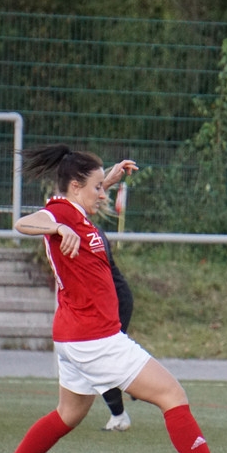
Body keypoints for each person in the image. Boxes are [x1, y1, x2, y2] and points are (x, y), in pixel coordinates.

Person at [0, 144, 227, 453]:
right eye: (97, 187)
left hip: (74, 336)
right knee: (172, 394)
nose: (103, 194)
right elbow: (23, 223)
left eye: (104, 187)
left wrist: (107, 179)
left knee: (68, 415)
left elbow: (77, 208)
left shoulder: (76, 212)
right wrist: (55, 227)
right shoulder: (60, 212)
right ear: (73, 187)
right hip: (96, 337)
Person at [95, 159, 138, 432]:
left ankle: (124, 405)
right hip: (100, 305)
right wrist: (110, 179)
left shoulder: (87, 231)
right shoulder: (73, 221)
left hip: (113, 302)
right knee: (99, 364)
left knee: (103, 362)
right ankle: (123, 405)